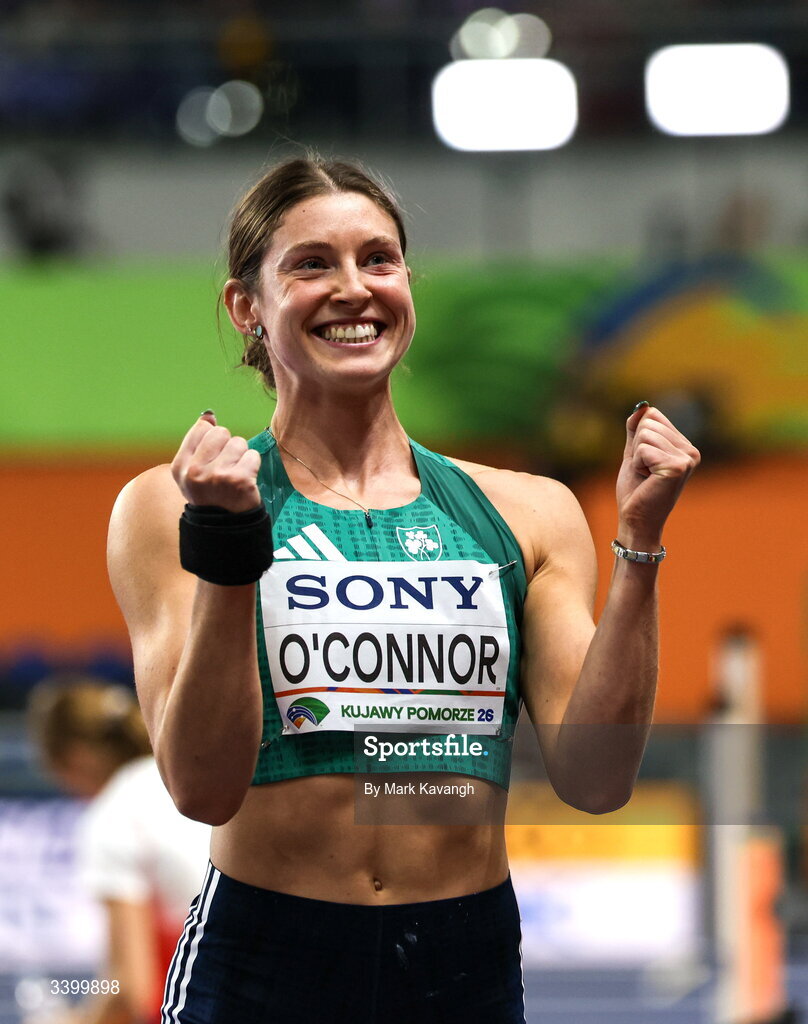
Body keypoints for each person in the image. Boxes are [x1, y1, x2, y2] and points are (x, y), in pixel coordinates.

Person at [106, 155, 700, 1024]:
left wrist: (639, 548)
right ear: (247, 307)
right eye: (312, 264)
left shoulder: (526, 512)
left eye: (378, 259)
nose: (354, 288)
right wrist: (231, 547)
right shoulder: (169, 506)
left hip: (463, 964)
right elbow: (202, 786)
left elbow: (597, 776)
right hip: (263, 962)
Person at [28, 678, 211, 1024]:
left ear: (75, 761)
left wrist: (73, 1020)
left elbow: (127, 989)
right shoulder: (191, 775)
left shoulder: (113, 813)